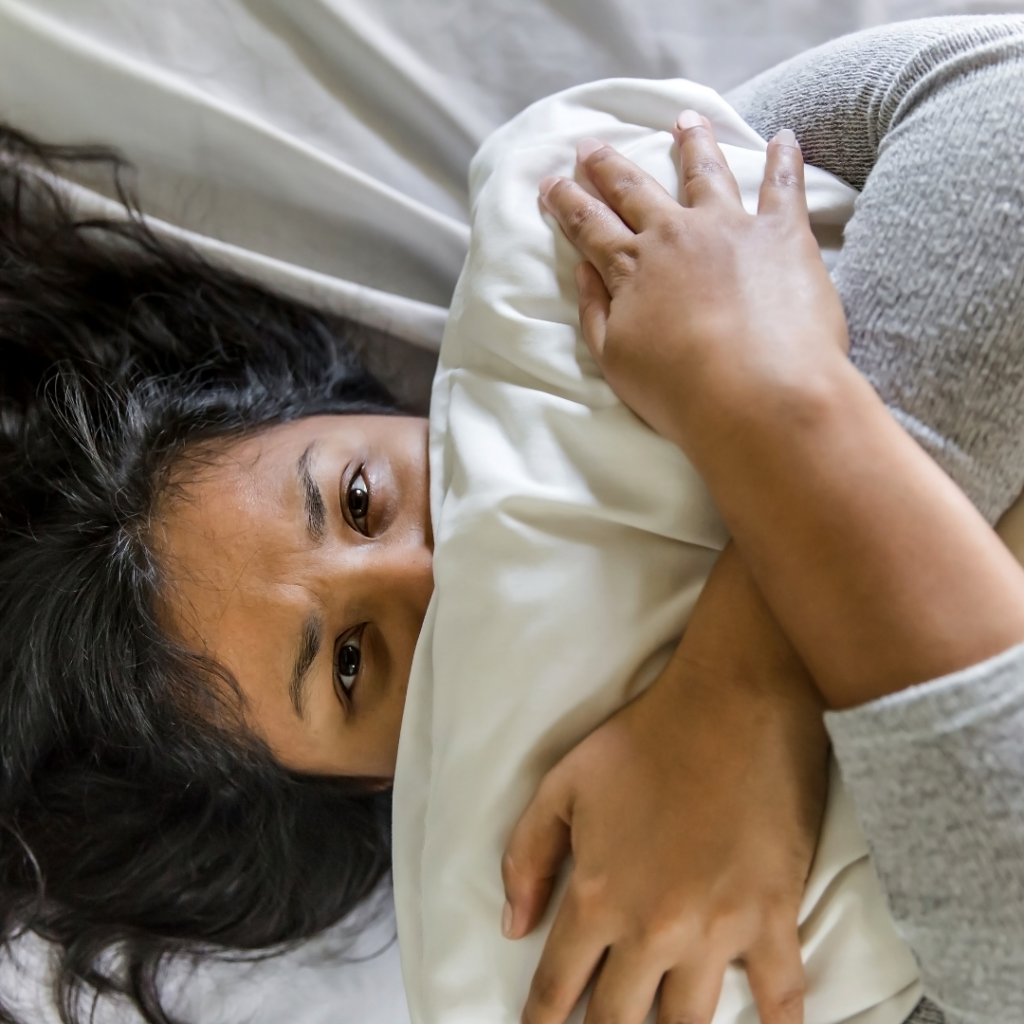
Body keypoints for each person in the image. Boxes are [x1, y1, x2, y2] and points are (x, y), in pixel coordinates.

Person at [1, 15, 1022, 1024]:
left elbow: (995, 98)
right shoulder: (597, 938)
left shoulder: (598, 261)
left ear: (358, 406)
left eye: (360, 500)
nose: (422, 573)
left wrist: (744, 680)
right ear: (363, 791)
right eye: (351, 663)